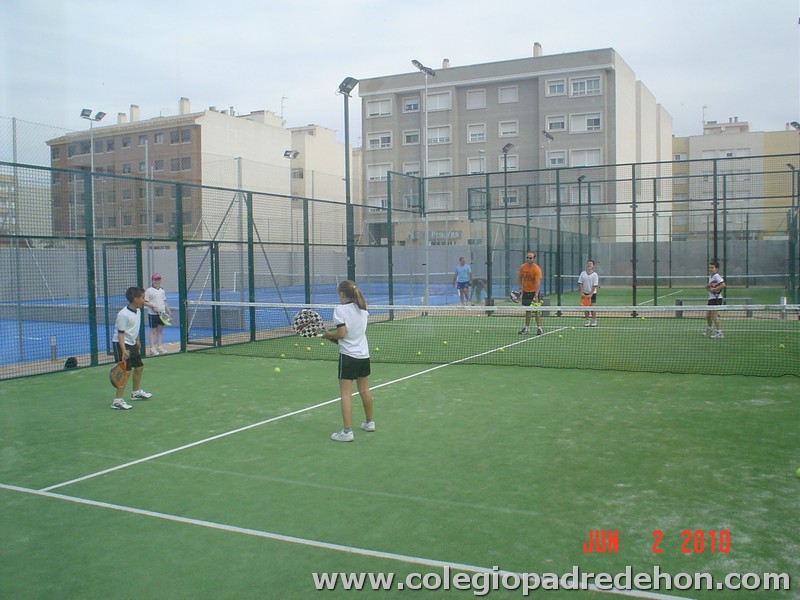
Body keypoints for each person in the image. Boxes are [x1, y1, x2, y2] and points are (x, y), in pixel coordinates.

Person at [321, 280, 375, 442]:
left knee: (346, 394)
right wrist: (330, 337)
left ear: (342, 294)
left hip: (348, 358)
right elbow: (350, 336)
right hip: (363, 356)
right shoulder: (363, 310)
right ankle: (369, 422)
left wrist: (328, 335)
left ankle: (347, 432)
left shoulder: (340, 310)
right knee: (364, 390)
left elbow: (342, 334)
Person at [111, 286, 153, 410]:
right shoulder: (123, 314)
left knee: (139, 367)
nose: (144, 300)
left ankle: (135, 393)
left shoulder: (138, 311)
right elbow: (120, 334)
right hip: (121, 344)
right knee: (125, 372)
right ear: (135, 299)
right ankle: (117, 401)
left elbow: (135, 327)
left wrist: (137, 340)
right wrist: (123, 350)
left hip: (132, 343)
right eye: (142, 298)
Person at [518, 251, 544, 335]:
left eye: (530, 258)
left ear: (534, 259)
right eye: (527, 258)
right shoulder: (522, 267)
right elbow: (520, 278)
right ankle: (526, 328)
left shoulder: (536, 269)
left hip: (534, 292)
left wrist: (536, 295)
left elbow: (538, 283)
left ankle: (539, 328)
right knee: (527, 310)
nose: (528, 259)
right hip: (525, 291)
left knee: (536, 311)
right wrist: (521, 288)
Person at [145, 273, 171, 355]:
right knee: (152, 331)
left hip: (162, 314)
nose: (157, 281)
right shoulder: (149, 291)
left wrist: (168, 311)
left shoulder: (162, 291)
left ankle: (159, 347)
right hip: (152, 314)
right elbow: (145, 302)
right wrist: (152, 305)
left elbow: (164, 302)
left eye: (158, 280)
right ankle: (152, 348)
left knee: (160, 331)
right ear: (152, 281)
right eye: (155, 280)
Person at [703, 260, 726, 339]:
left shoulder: (717, 276)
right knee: (708, 315)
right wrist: (708, 287)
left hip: (717, 298)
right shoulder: (711, 277)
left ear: (717, 269)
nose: (710, 269)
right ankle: (710, 328)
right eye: (709, 267)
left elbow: (723, 285)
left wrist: (714, 289)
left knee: (714, 315)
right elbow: (712, 287)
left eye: (712, 268)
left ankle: (719, 332)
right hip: (711, 298)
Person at [577, 259, 599, 327]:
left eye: (590, 264)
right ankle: (587, 320)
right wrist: (582, 292)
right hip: (584, 293)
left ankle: (594, 320)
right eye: (588, 263)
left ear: (593, 266)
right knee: (586, 308)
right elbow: (580, 283)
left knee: (592, 307)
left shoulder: (595, 275)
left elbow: (595, 285)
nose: (589, 265)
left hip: (592, 294)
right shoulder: (582, 273)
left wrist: (591, 294)